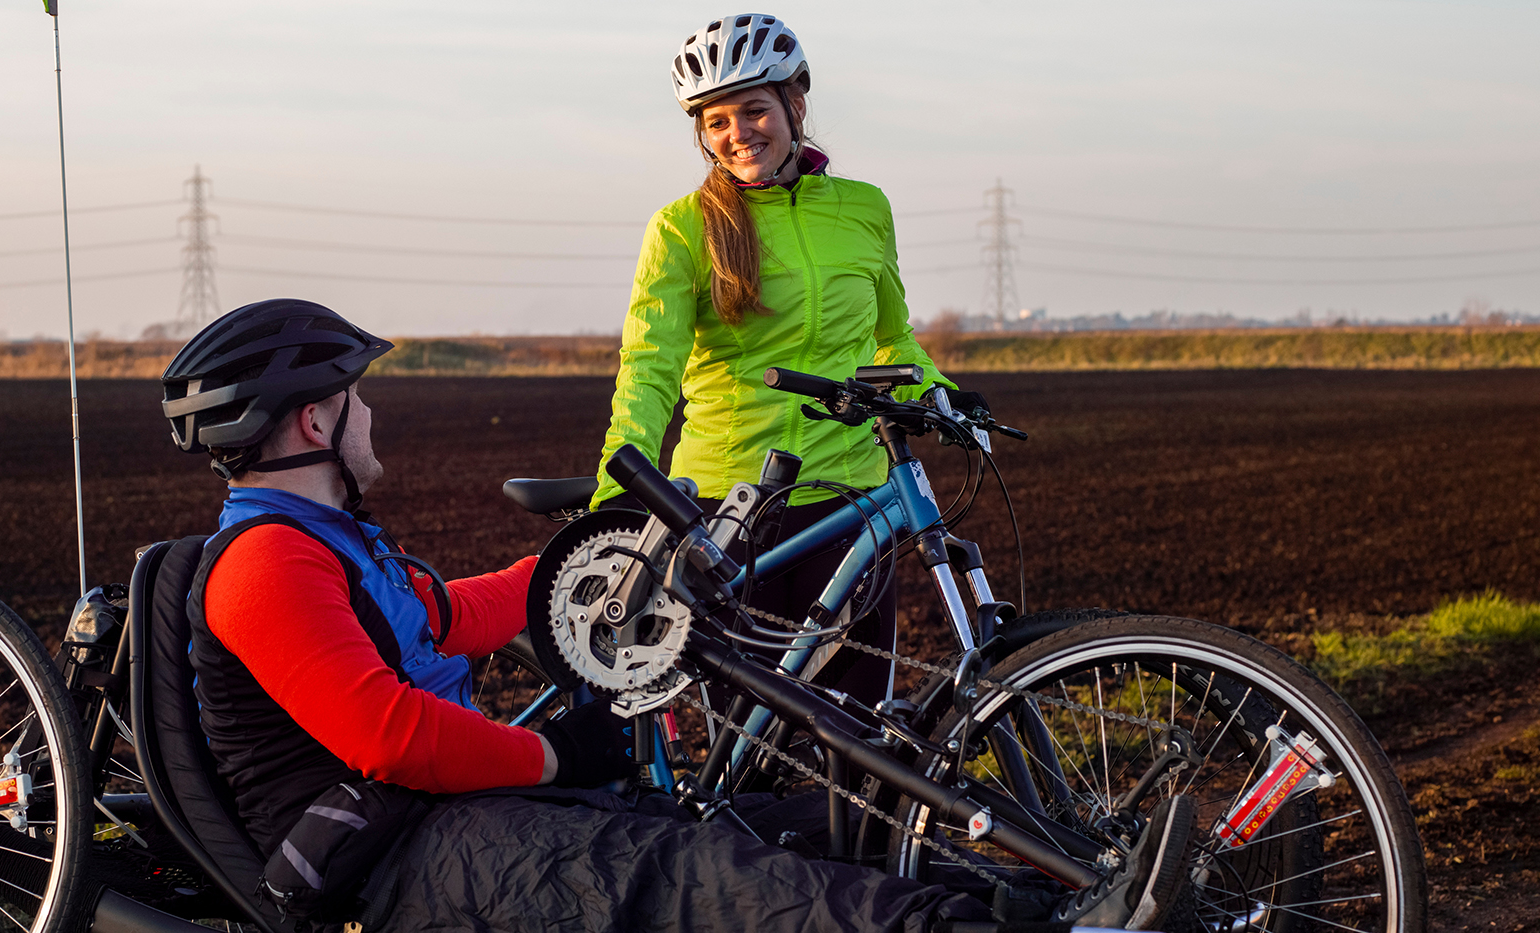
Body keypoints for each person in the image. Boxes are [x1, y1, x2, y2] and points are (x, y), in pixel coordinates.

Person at [160, 298, 1190, 933]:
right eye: (355, 397)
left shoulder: (338, 545)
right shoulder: (264, 569)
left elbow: (460, 611)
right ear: (313, 420)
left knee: (807, 826)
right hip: (392, 864)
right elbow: (393, 738)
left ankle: (1055, 900)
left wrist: (624, 557)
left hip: (456, 821)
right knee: (692, 873)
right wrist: (562, 756)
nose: (370, 413)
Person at [591, 14, 975, 705]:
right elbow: (649, 369)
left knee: (852, 725)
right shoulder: (683, 228)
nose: (737, 134)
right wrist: (617, 492)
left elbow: (893, 340)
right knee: (745, 740)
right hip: (726, 510)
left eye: (753, 110)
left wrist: (942, 391)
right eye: (715, 121)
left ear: (795, 104)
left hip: (850, 501)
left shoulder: (865, 209)